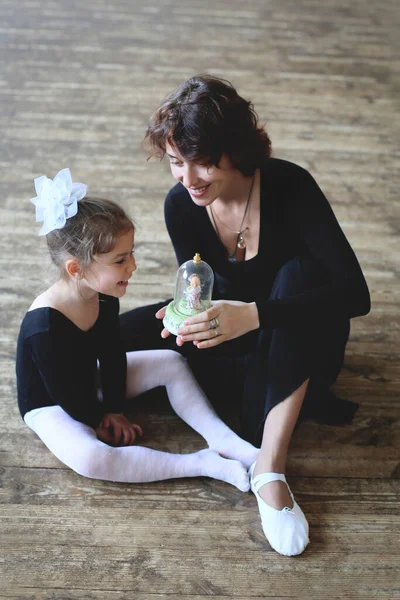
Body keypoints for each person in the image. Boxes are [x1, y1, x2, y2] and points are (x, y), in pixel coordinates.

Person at [119, 74, 371, 556]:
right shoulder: (182, 205)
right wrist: (185, 318)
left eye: (203, 164)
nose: (188, 179)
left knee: (299, 273)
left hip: (301, 351)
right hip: (235, 342)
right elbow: (199, 288)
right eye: (175, 162)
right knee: (112, 335)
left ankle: (269, 468)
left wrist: (256, 315)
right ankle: (99, 404)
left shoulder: (291, 187)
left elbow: (354, 295)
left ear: (236, 151)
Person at [16, 167, 262, 493]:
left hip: (91, 380)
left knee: (171, 361)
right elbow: (65, 392)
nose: (132, 266)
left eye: (131, 254)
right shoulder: (43, 328)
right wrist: (100, 418)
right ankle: (200, 463)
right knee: (92, 459)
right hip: (53, 403)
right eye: (120, 261)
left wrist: (115, 406)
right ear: (76, 268)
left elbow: (113, 354)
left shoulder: (103, 297)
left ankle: (225, 440)